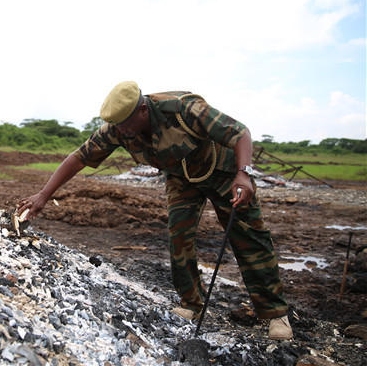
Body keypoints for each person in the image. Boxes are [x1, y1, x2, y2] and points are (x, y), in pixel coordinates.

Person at [17, 81, 293, 340]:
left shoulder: (184, 109)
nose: (121, 131)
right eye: (116, 126)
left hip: (224, 172)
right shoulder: (117, 128)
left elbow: (239, 132)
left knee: (247, 237)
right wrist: (44, 195)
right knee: (179, 236)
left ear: (143, 109)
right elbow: (78, 158)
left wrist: (243, 174)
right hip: (181, 178)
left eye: (125, 125)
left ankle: (275, 313)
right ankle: (191, 303)